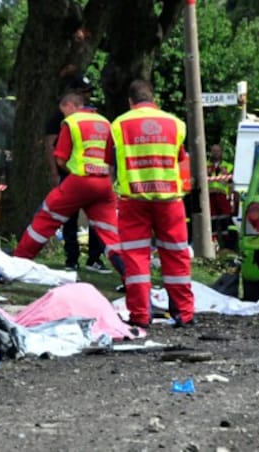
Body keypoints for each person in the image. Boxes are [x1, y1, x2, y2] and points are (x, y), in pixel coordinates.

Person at [106, 79, 194, 329]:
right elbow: (179, 159)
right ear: (154, 99)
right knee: (176, 255)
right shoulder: (175, 124)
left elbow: (110, 163)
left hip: (133, 199)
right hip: (169, 199)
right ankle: (185, 314)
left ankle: (140, 316)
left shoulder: (119, 125)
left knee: (136, 259)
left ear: (130, 102)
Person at [15, 93, 125, 276]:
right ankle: (129, 275)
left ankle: (19, 260)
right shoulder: (105, 122)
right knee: (110, 234)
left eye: (63, 111)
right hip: (104, 183)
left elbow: (60, 159)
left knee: (46, 216)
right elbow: (111, 157)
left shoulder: (72, 122)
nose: (64, 115)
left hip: (79, 180)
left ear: (70, 106)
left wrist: (71, 169)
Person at [45, 75, 110, 273]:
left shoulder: (95, 114)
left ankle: (94, 258)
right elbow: (50, 144)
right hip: (69, 172)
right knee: (69, 218)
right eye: (84, 92)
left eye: (89, 91)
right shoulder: (61, 115)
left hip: (92, 173)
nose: (88, 95)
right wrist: (54, 172)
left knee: (96, 219)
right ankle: (71, 258)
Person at [207, 143, 236, 250]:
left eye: (217, 151)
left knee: (226, 221)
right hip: (209, 196)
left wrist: (231, 197)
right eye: (213, 151)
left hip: (222, 196)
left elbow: (231, 183)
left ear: (221, 152)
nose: (215, 153)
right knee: (211, 221)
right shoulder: (204, 164)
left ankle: (227, 246)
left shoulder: (228, 165)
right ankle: (213, 245)